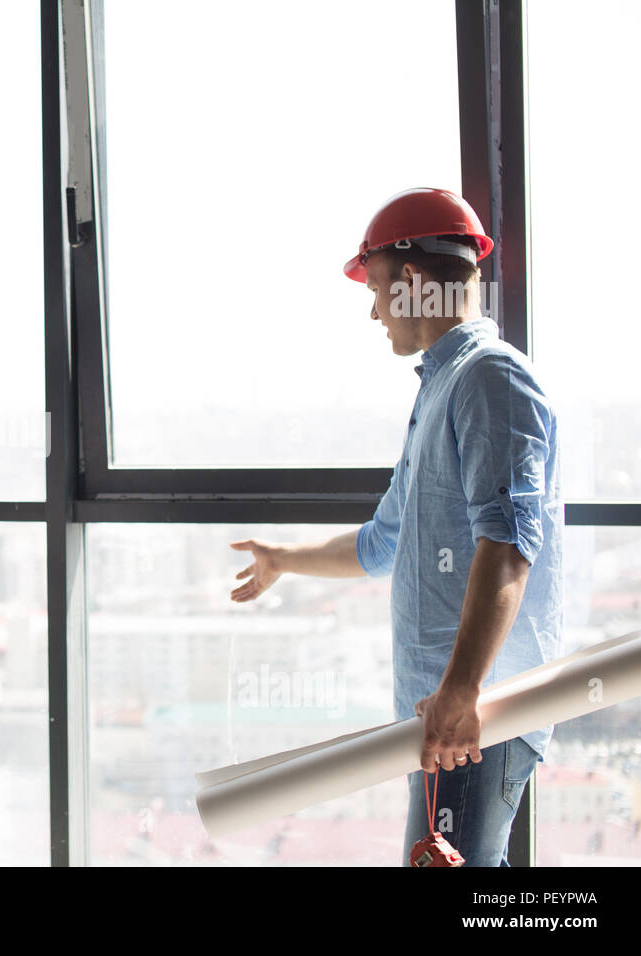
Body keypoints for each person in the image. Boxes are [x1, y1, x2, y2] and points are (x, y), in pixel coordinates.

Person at [229, 188, 563, 866]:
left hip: (477, 713)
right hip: (445, 706)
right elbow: (384, 542)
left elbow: (508, 547)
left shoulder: (488, 379)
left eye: (377, 287)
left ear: (412, 280)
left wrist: (463, 692)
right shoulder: (443, 387)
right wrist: (283, 559)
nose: (374, 309)